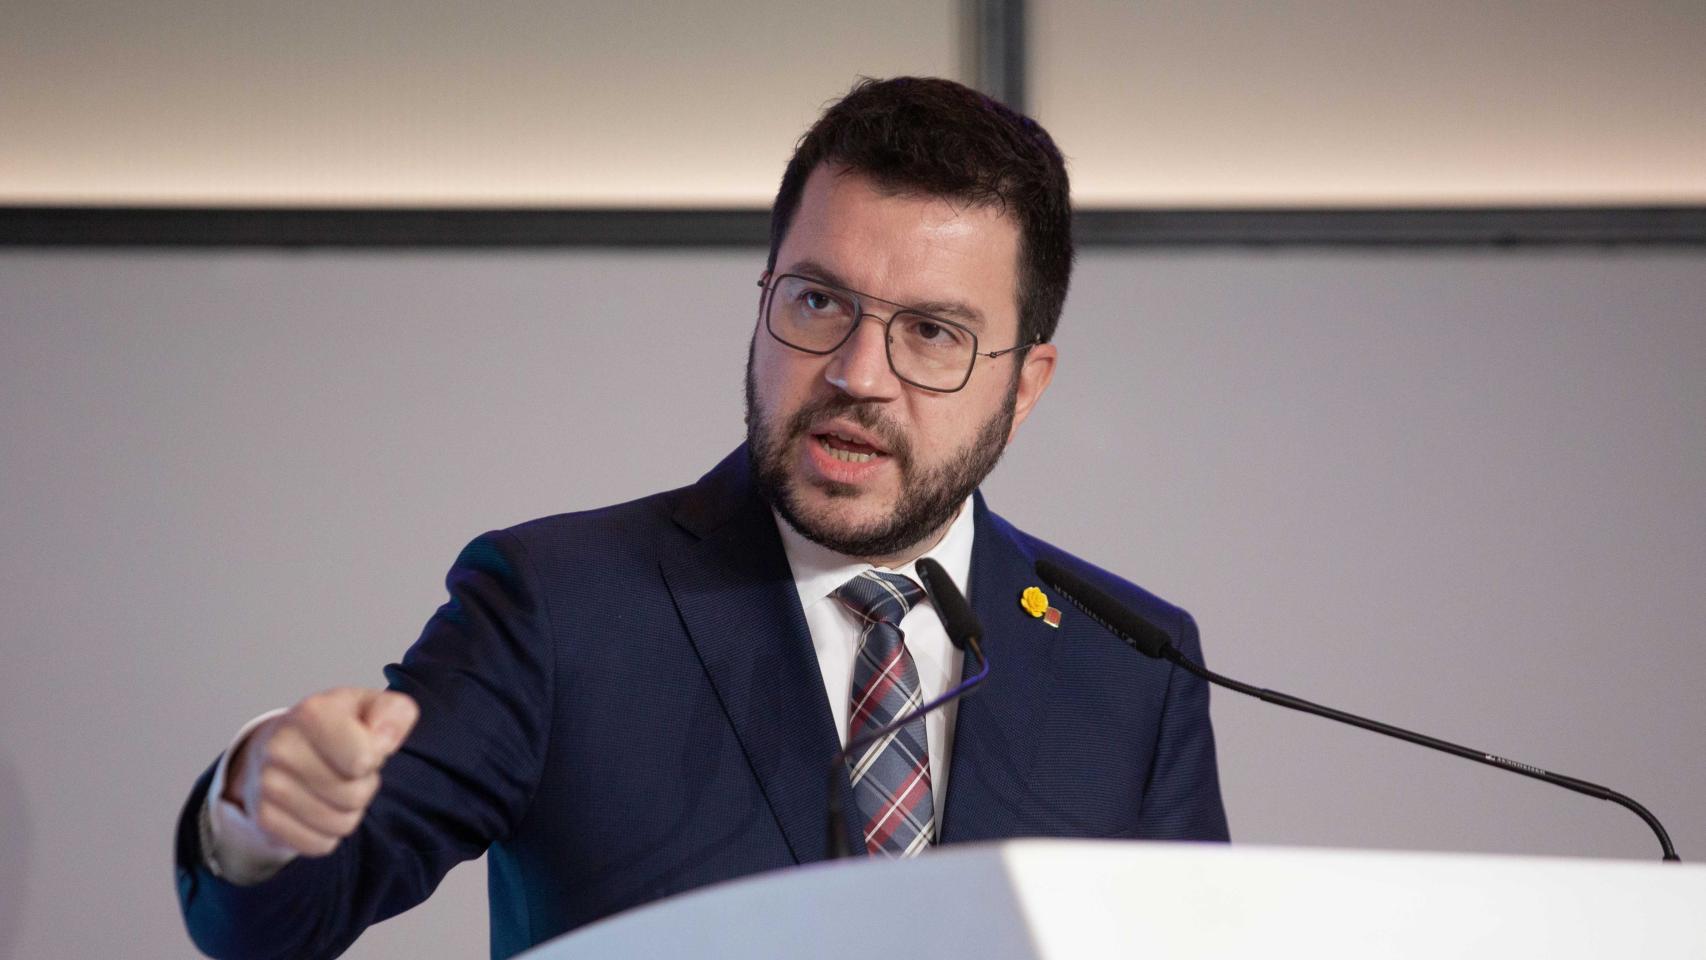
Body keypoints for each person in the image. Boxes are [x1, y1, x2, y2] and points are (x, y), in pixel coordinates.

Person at [173, 76, 1228, 960]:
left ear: (1025, 384)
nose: (857, 375)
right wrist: (261, 810)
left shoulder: (1130, 666)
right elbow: (284, 918)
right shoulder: (560, 606)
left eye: (931, 333)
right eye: (818, 301)